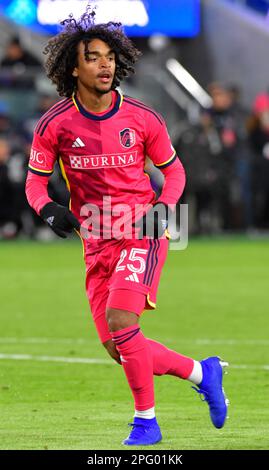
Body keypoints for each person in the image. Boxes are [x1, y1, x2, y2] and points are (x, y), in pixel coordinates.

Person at [25, 9, 229, 446]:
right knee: (120, 348)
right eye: (93, 57)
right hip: (94, 240)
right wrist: (47, 208)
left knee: (122, 319)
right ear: (72, 68)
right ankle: (202, 372)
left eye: (110, 57)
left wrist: (162, 208)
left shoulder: (142, 117)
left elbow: (174, 173)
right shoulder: (54, 125)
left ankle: (146, 423)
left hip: (141, 229)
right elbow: (34, 183)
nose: (105, 65)